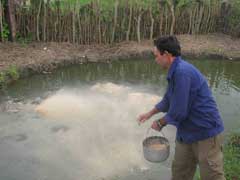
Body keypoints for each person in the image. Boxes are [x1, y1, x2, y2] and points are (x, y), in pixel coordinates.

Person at [138, 36, 225, 180]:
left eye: (156, 55)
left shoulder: (182, 72)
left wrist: (160, 123)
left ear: (166, 54)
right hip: (186, 133)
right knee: (180, 173)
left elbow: (179, 111)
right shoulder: (174, 71)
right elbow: (168, 100)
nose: (155, 60)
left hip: (205, 132)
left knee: (212, 175)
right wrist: (149, 114)